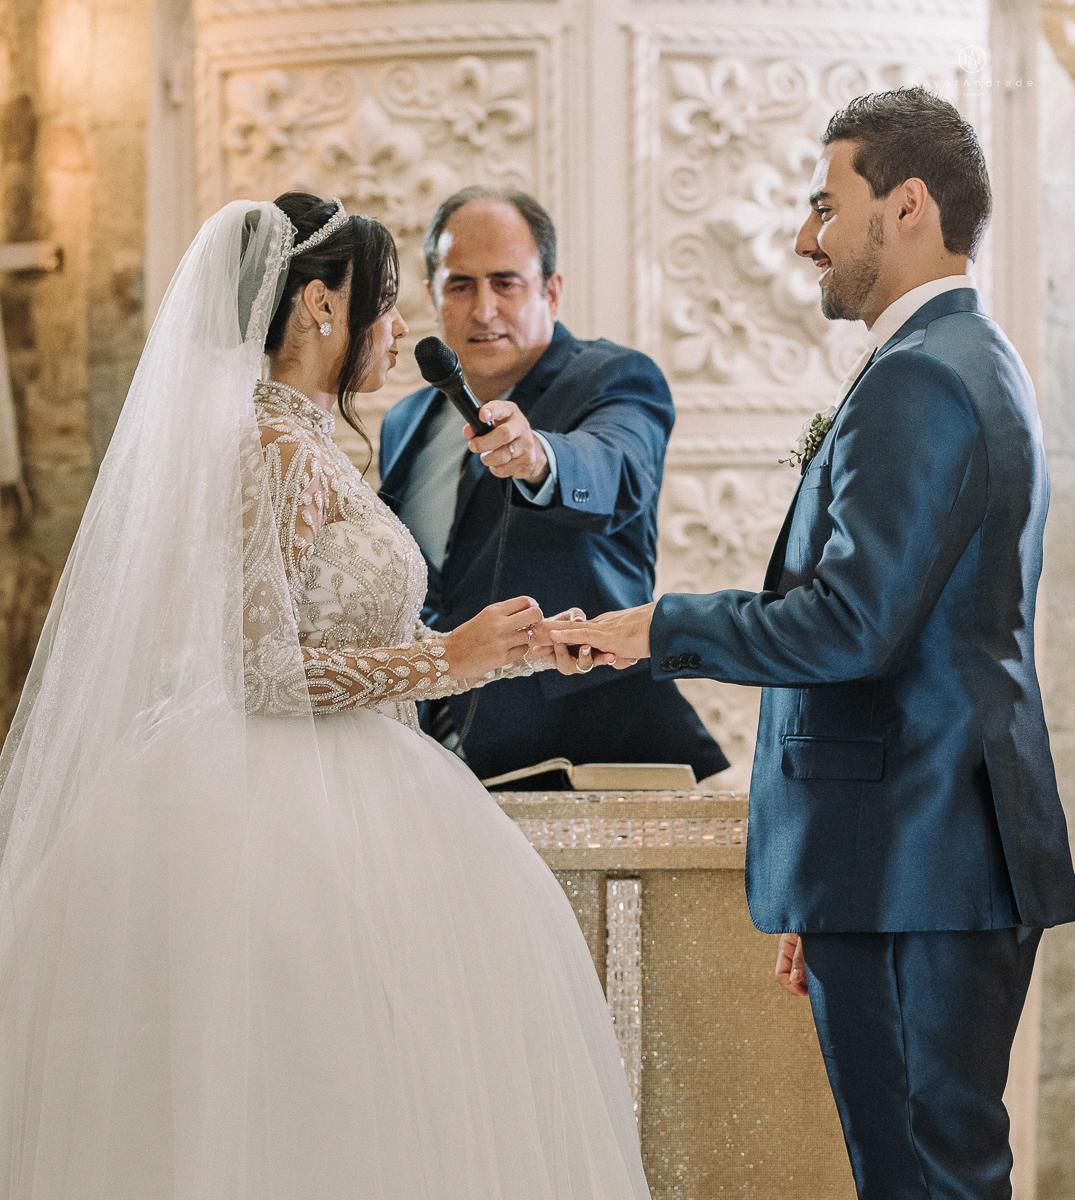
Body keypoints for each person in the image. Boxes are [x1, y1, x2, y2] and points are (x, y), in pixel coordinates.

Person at [0, 193, 651, 1198]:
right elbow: (263, 670)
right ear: (317, 307)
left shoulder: (311, 448)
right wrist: (448, 663)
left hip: (356, 781)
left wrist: (507, 649)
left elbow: (340, 635)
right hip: (281, 813)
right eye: (385, 303)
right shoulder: (272, 454)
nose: (400, 328)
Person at [542, 88, 1075, 1198]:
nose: (803, 239)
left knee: (922, 1179)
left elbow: (851, 623)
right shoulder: (972, 356)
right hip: (904, 859)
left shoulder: (921, 377)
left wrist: (661, 626)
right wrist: (825, 877)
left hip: (913, 862)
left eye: (826, 206)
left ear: (910, 205)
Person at [378, 187, 728, 786]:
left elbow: (616, 468)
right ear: (434, 294)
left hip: (595, 751)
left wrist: (541, 458)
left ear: (552, 290)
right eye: (461, 285)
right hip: (438, 761)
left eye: (506, 282)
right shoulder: (402, 422)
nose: (484, 309)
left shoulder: (614, 377)